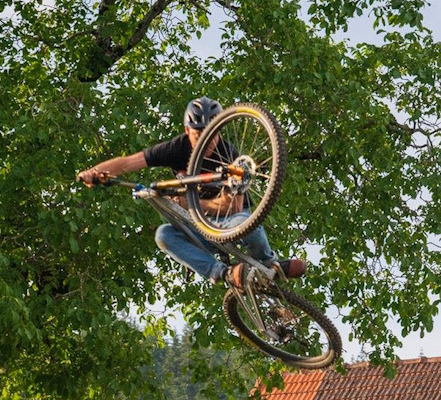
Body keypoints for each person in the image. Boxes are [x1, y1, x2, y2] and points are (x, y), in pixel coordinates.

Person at [76, 97, 303, 287]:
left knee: (246, 221)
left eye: (212, 134)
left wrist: (189, 204)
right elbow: (128, 163)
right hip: (198, 228)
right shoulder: (176, 148)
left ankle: (270, 264)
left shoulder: (229, 153)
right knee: (164, 235)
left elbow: (233, 206)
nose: (207, 141)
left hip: (230, 220)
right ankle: (224, 274)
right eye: (199, 134)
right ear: (187, 131)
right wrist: (95, 172)